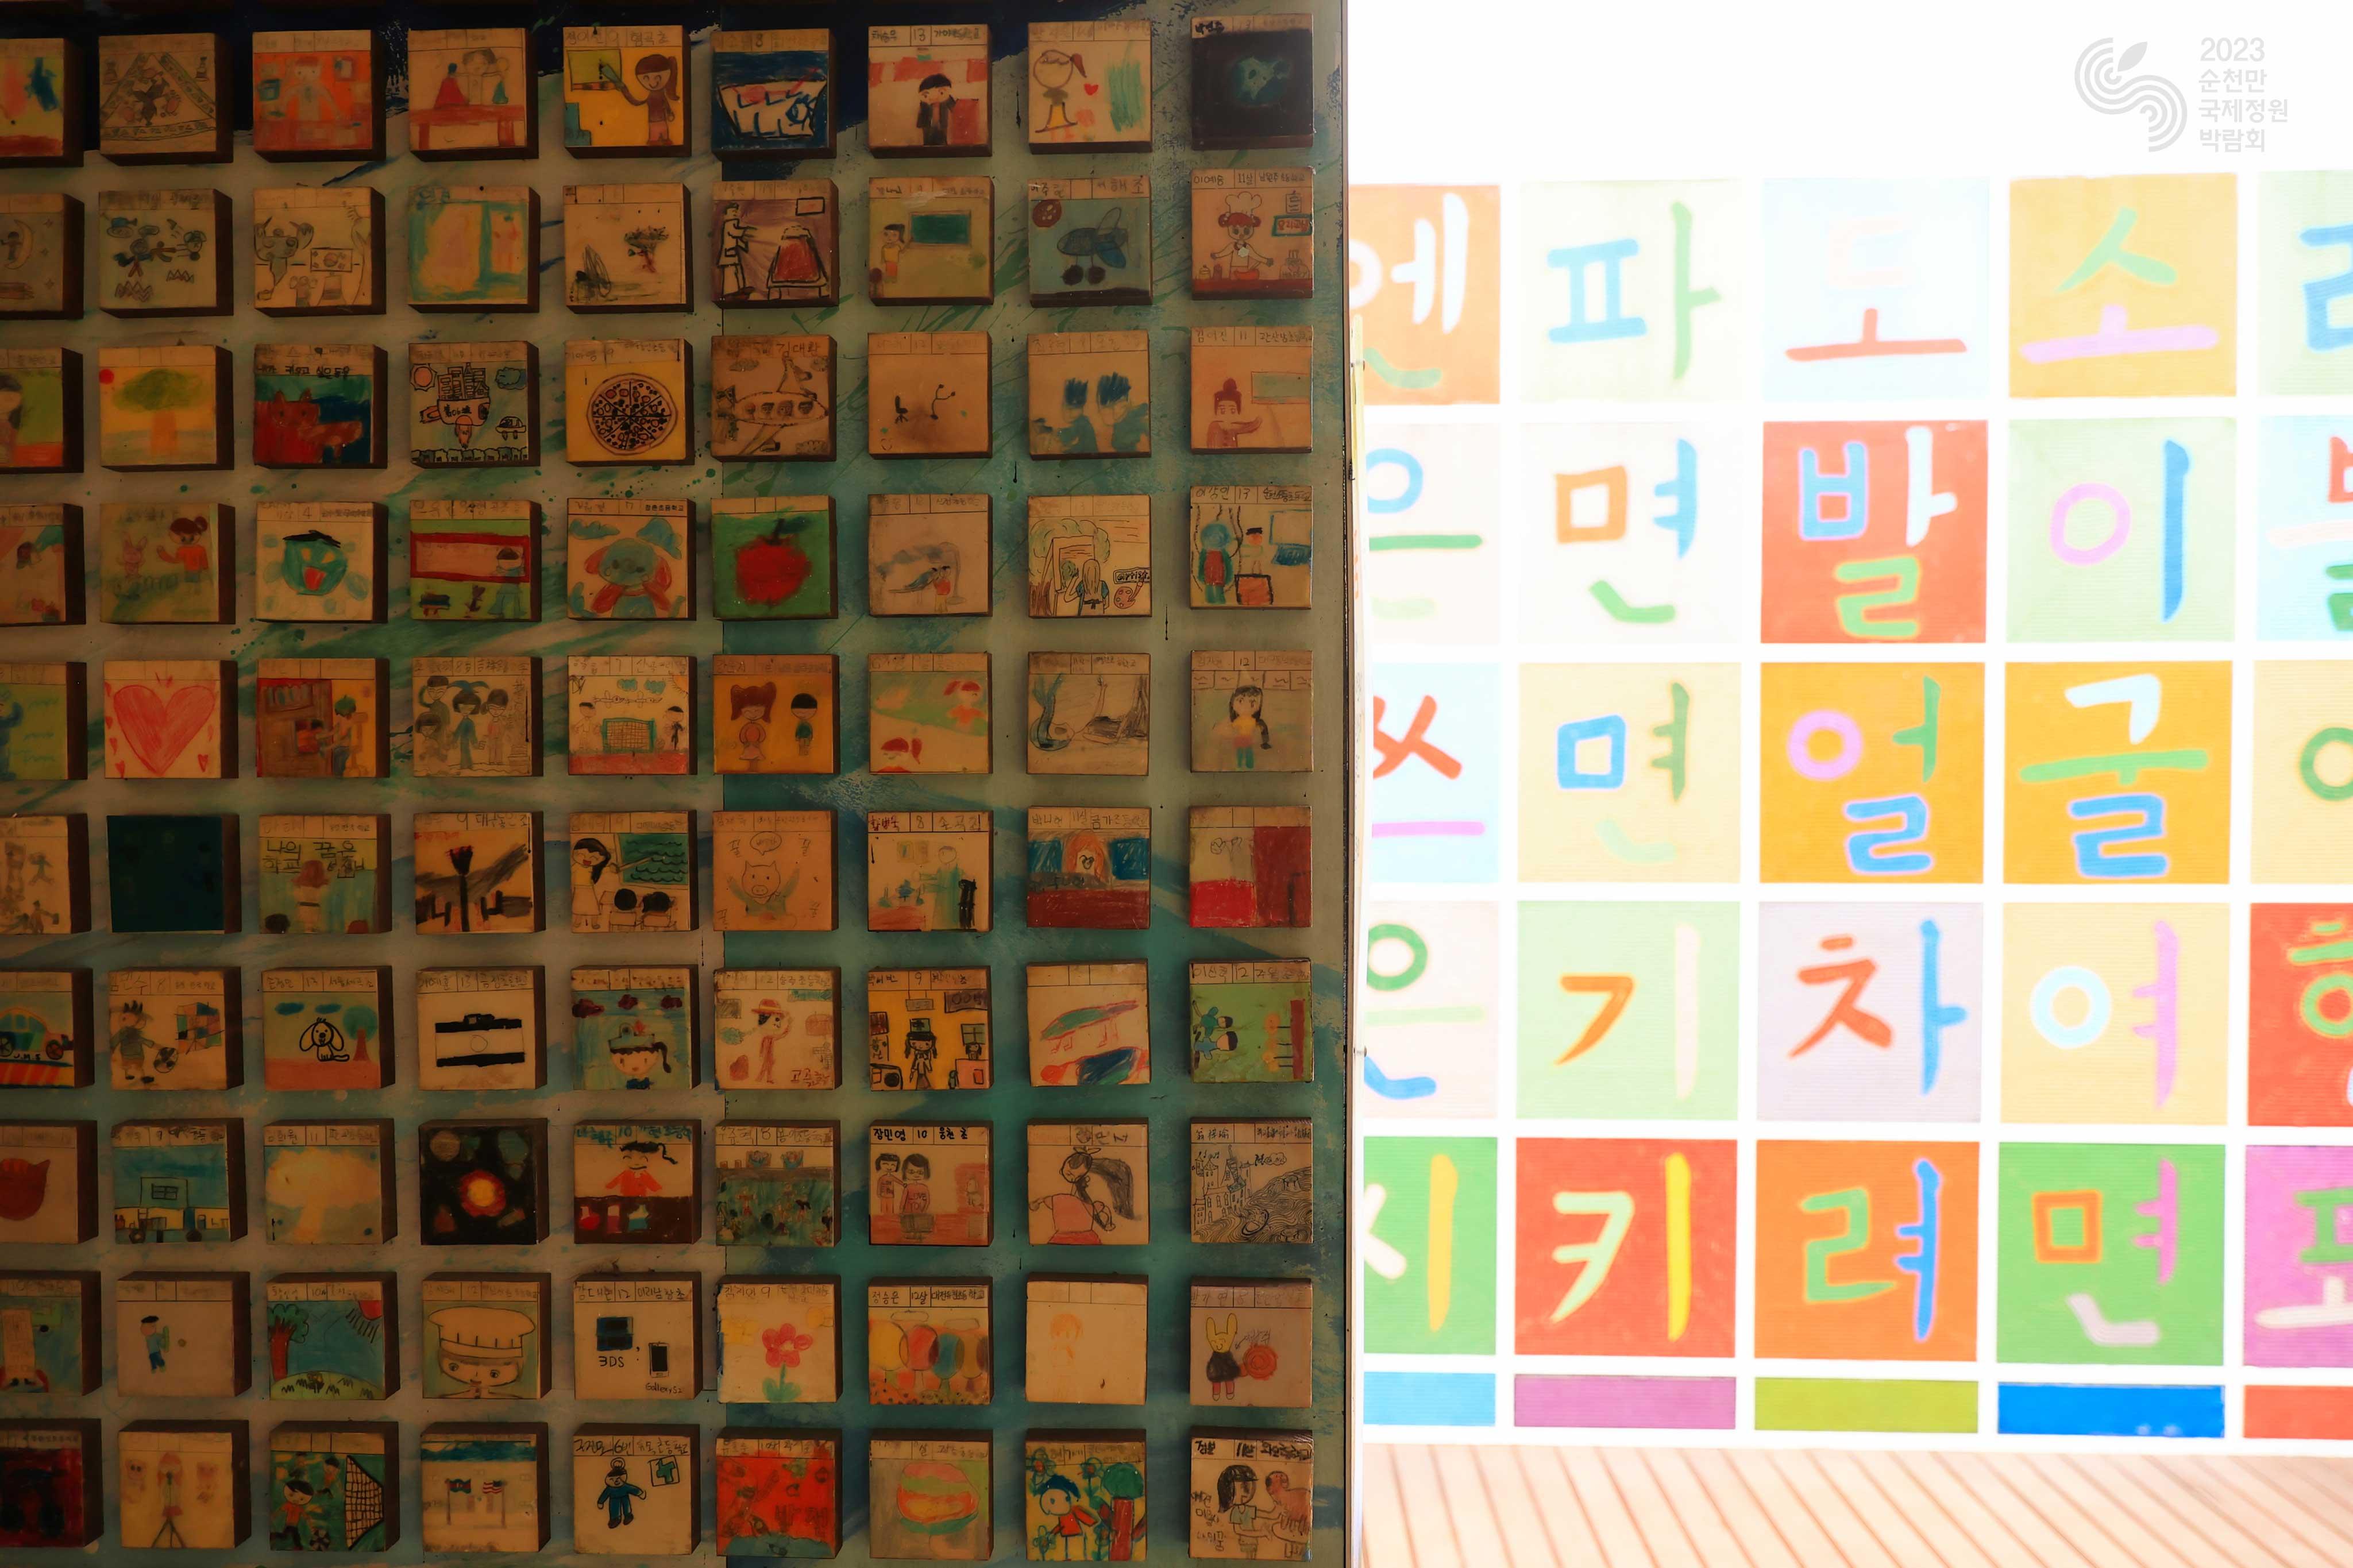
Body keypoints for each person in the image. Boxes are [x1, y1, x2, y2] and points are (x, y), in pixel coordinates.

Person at [601, 54, 680, 146]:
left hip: (660, 121)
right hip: (654, 122)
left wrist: (669, 112)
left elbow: (638, 102)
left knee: (663, 139)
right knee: (655, 140)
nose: (653, 83)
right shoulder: (652, 96)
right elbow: (636, 102)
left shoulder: (660, 94)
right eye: (646, 78)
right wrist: (624, 89)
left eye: (658, 78)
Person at [1225, 685, 1271, 769]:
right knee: (1240, 754)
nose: (1246, 706)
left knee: (1248, 753)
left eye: (1252, 702)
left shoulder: (1255, 722)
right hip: (1240, 740)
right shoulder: (1237, 721)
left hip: (1249, 741)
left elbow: (1262, 731)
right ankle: (1240, 765)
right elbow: (1232, 729)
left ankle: (1249, 765)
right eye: (1241, 701)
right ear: (1233, 704)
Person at [596, 1458, 645, 1528]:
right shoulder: (610, 1489)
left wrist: (639, 1493)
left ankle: (628, 1516)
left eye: (618, 1479)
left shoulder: (624, 1486)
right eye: (613, 1479)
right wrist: (601, 1502)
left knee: (627, 1507)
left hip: (624, 1497)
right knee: (614, 1509)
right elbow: (604, 1495)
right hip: (614, 1500)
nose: (616, 1481)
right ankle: (615, 1519)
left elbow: (633, 1489)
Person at [915, 72, 956, 145]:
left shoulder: (947, 100)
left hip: (943, 130)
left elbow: (956, 110)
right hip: (928, 130)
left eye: (941, 93)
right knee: (928, 141)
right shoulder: (924, 104)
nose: (934, 97)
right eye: (926, 95)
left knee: (943, 140)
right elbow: (921, 119)